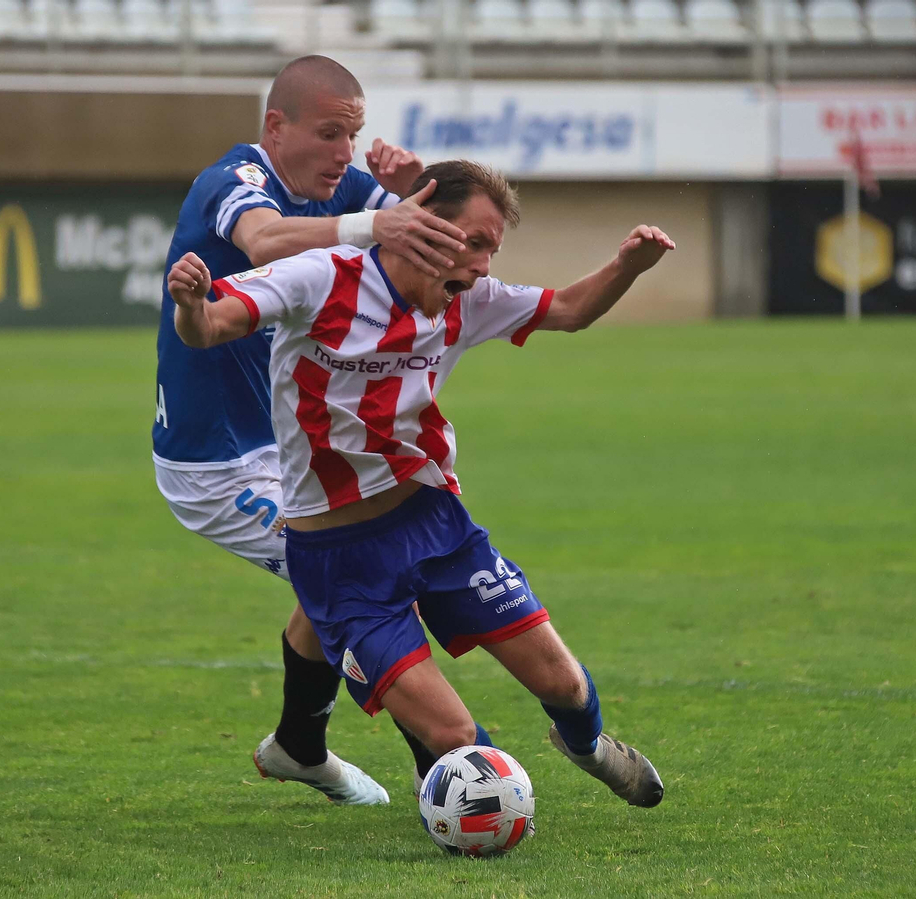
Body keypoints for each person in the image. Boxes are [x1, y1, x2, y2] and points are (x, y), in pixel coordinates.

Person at [165, 159, 673, 809]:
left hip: (437, 529)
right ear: (425, 224)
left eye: (494, 248)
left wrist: (628, 265)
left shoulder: (468, 301)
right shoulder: (322, 278)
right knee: (457, 737)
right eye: (478, 242)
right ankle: (471, 801)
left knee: (563, 683)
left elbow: (570, 310)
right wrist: (188, 305)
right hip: (338, 562)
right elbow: (212, 324)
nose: (487, 265)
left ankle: (590, 748)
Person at [153, 55, 477, 806]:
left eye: (354, 135)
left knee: (347, 576)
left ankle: (300, 743)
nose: (345, 152)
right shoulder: (234, 182)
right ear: (277, 126)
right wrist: (378, 215)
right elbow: (265, 242)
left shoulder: (354, 193)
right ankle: (448, 767)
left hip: (299, 455)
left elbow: (430, 244)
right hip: (220, 468)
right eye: (330, 134)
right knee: (367, 578)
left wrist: (414, 189)